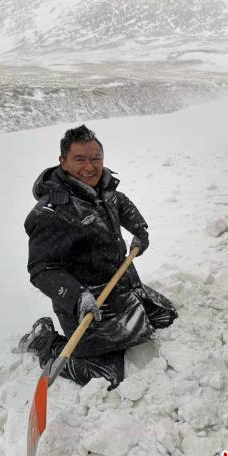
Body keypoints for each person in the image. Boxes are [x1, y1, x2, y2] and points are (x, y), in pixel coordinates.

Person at [20, 124, 177, 389]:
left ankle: (129, 312)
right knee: (105, 374)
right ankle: (43, 340)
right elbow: (41, 269)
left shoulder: (103, 187)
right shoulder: (50, 213)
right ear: (63, 162)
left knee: (166, 316)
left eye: (96, 159)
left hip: (121, 286)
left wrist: (140, 230)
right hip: (89, 303)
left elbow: (121, 203)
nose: (90, 167)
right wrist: (77, 296)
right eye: (80, 159)